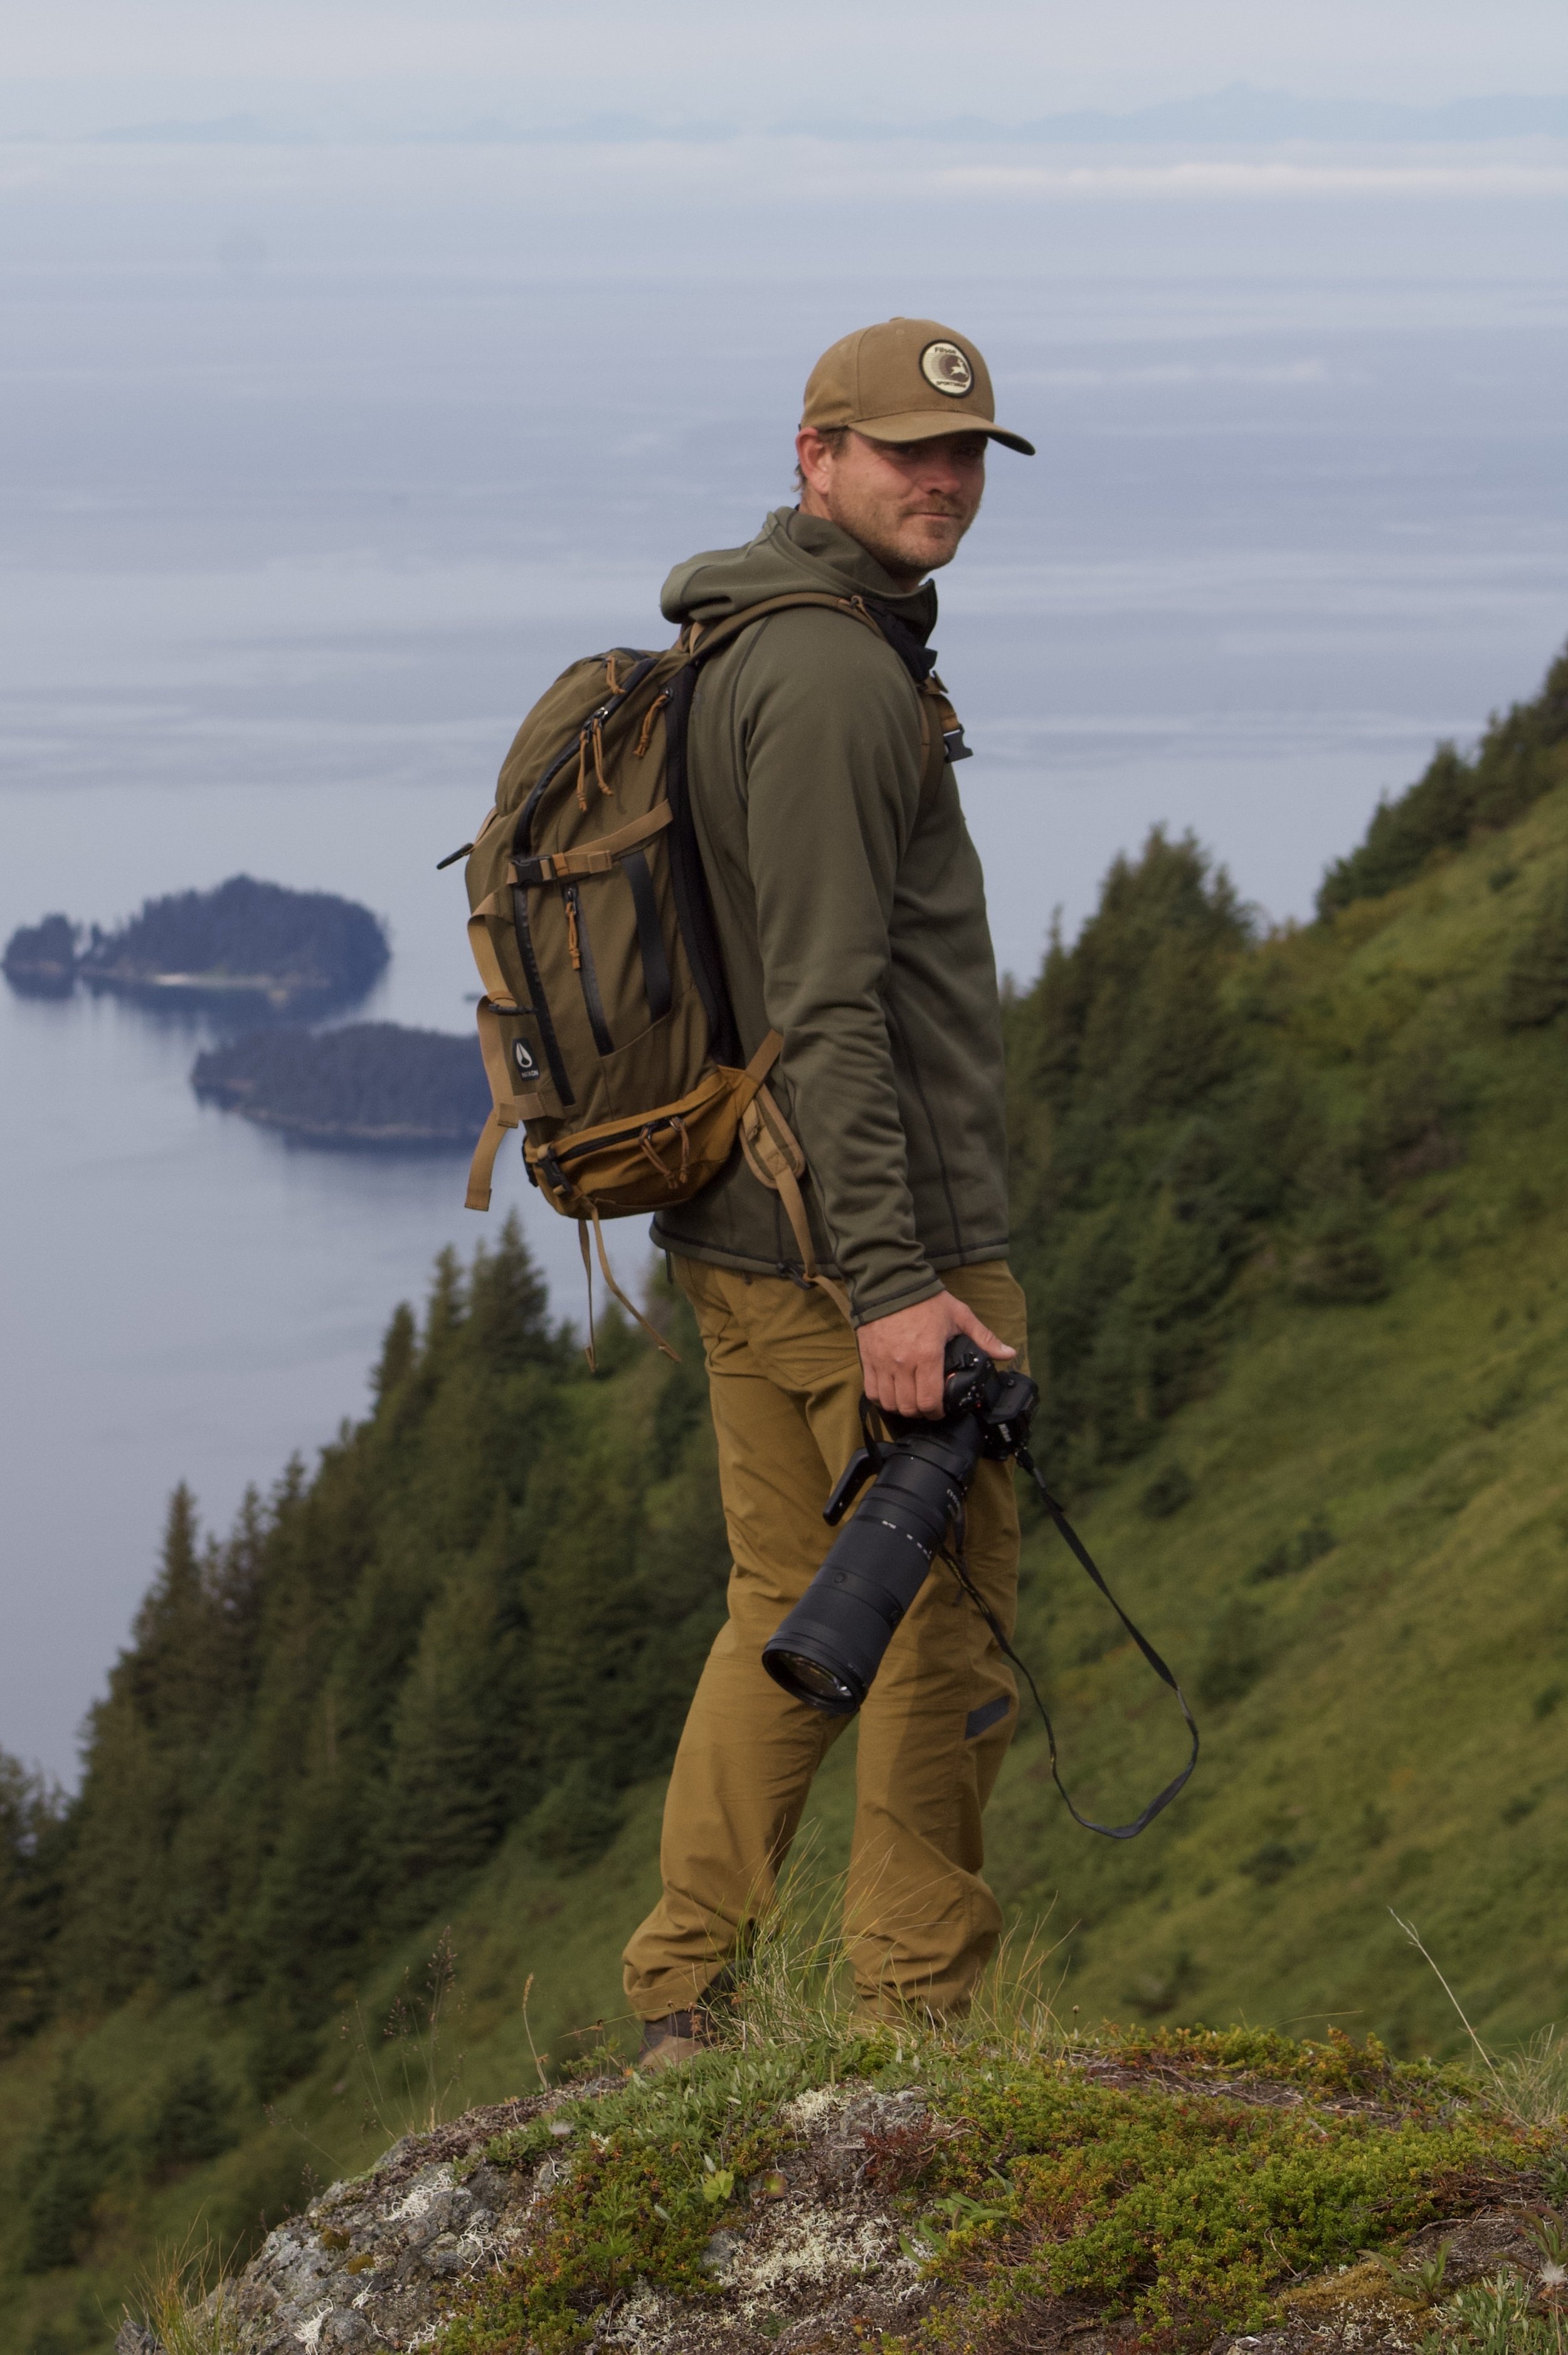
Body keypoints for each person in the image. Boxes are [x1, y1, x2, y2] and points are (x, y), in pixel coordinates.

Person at [622, 317, 1036, 2064]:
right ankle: (910, 2032)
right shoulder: (834, 676)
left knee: (781, 1601)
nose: (936, 480)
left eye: (960, 457)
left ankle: (681, 1998)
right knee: (943, 1629)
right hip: (869, 1250)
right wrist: (893, 1284)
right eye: (897, 452)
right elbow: (828, 1007)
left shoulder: (753, 639)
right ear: (815, 458)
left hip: (749, 1222)